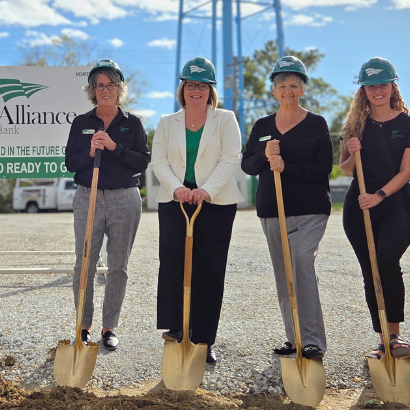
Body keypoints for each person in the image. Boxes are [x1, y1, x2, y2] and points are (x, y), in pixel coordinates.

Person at [150, 57, 244, 365]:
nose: (196, 90)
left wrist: (206, 190)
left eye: (202, 85)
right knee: (174, 262)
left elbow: (230, 158)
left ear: (210, 90)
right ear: (183, 88)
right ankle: (177, 330)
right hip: (175, 201)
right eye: (191, 84)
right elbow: (159, 161)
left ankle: (204, 338)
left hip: (215, 204)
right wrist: (178, 188)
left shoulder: (225, 119)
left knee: (209, 269)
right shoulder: (167, 122)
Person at [240, 56, 333, 360]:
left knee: (301, 265)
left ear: (303, 89)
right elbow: (247, 165)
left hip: (310, 210)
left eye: (294, 84)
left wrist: (286, 166)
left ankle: (313, 340)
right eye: (282, 85)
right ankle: (293, 338)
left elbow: (323, 167)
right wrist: (265, 157)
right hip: (272, 210)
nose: (288, 90)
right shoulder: (262, 126)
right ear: (274, 91)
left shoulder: (316, 123)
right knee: (284, 274)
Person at [337, 57, 410, 361]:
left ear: (392, 86)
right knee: (370, 269)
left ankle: (396, 334)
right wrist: (351, 152)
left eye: (382, 84)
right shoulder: (353, 127)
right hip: (358, 205)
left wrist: (380, 195)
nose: (377, 90)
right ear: (363, 90)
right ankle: (382, 337)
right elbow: (346, 170)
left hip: (395, 203)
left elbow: (407, 171)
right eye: (371, 85)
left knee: (387, 260)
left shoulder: (409, 124)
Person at [62, 59, 150, 351]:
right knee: (84, 263)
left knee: (118, 267)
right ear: (92, 90)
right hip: (88, 195)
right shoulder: (81, 123)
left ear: (119, 88)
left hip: (125, 197)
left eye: (110, 85)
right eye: (99, 85)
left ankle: (109, 327)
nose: (105, 90)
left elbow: (142, 161)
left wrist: (114, 147)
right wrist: (89, 151)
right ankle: (83, 326)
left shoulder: (133, 123)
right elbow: (70, 164)